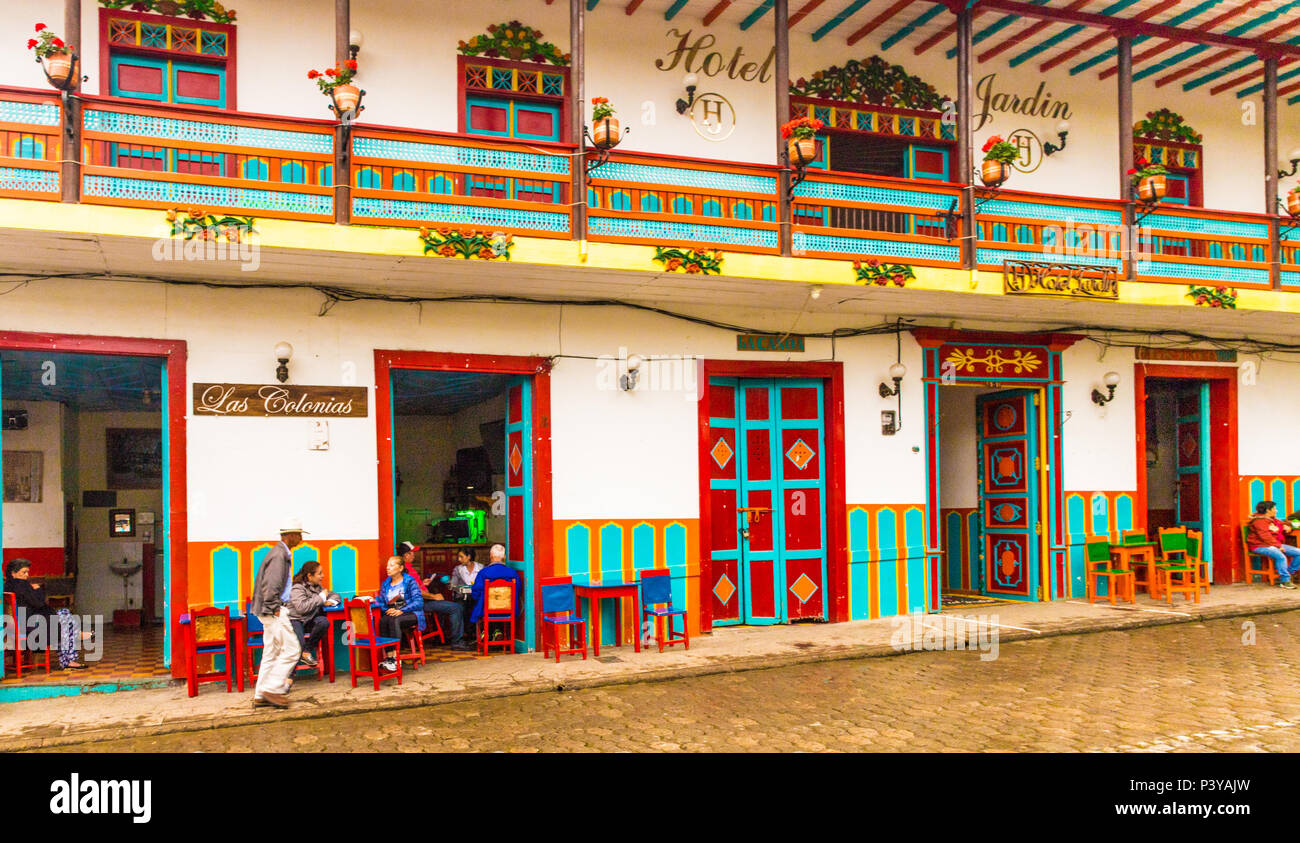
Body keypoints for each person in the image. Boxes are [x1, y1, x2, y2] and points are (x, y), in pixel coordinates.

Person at [250, 519, 306, 708]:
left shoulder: (279, 553)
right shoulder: (279, 555)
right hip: (273, 609)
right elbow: (271, 585)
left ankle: (260, 694)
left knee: (271, 651)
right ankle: (272, 690)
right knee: (292, 650)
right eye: (298, 535)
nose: (300, 539)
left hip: (267, 610)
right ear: (290, 535)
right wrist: (274, 607)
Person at [3, 558, 90, 669]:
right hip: (33, 627)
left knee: (65, 616)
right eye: (23, 572)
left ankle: (70, 656)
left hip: (23, 624)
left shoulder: (8, 586)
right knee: (65, 622)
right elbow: (39, 603)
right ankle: (72, 651)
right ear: (13, 573)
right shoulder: (21, 585)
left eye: (27, 572)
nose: (27, 575)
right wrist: (38, 590)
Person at [374, 555, 424, 672]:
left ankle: (395, 658)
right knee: (384, 620)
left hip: (411, 613)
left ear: (401, 568)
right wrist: (386, 610)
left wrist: (402, 610)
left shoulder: (409, 581)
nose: (388, 568)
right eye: (387, 566)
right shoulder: (386, 584)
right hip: (394, 612)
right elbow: (381, 601)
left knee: (395, 620)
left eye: (391, 565)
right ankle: (389, 658)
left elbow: (419, 602)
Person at [287, 560, 339, 668]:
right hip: (295, 620)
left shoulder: (317, 587)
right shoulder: (297, 587)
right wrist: (320, 598)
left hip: (309, 620)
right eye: (319, 573)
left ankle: (307, 651)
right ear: (309, 576)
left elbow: (335, 595)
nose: (322, 576)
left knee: (323, 622)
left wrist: (330, 601)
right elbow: (301, 608)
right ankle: (289, 675)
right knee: (298, 646)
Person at [469, 544, 523, 642]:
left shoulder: (483, 573)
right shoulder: (512, 573)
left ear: (490, 556)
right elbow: (518, 590)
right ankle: (497, 631)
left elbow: (476, 593)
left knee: (478, 604)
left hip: (486, 610)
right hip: (508, 609)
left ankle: (485, 632)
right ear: (504, 557)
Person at [1247, 500, 1300, 589]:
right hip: (1260, 546)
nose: (1276, 510)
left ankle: (1289, 573)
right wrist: (1278, 546)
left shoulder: (1272, 519)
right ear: (1268, 510)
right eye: (1274, 508)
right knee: (1280, 556)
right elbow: (1265, 536)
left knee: (1298, 552)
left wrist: (1288, 526)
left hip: (1273, 544)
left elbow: (1283, 523)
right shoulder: (1259, 521)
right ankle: (1285, 581)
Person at [449, 548, 483, 633]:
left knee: (479, 605)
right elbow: (453, 585)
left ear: (469, 557)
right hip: (462, 597)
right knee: (461, 607)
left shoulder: (480, 568)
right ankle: (464, 633)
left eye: (461, 557)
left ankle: (477, 632)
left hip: (476, 597)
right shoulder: (458, 569)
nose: (459, 559)